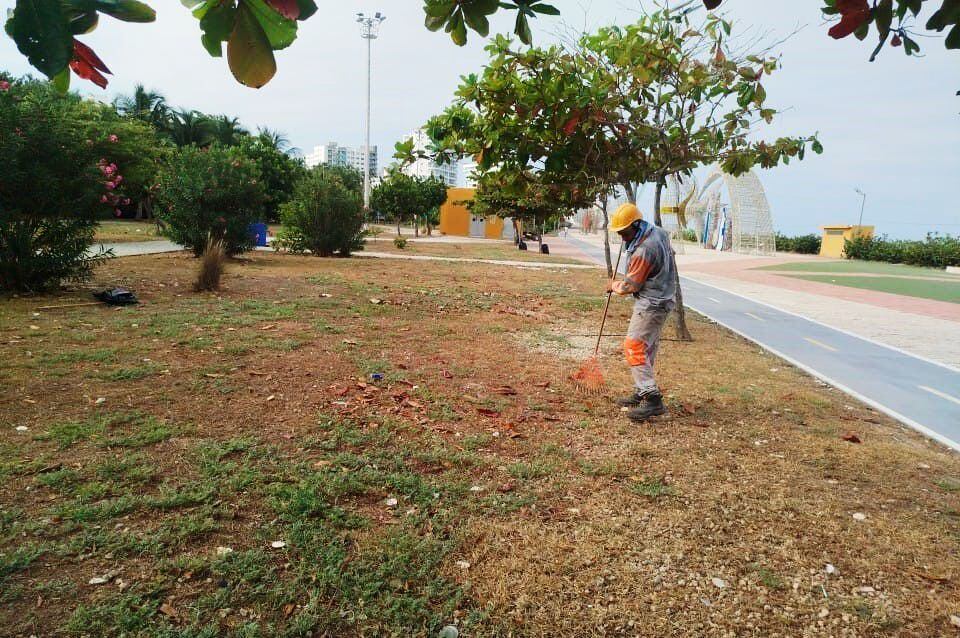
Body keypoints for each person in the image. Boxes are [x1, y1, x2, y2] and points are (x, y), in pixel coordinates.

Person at [606, 203, 677, 421]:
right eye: (619, 233)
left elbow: (631, 286)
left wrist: (613, 285)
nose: (622, 237)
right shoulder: (658, 233)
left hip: (652, 303)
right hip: (664, 298)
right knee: (646, 347)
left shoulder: (644, 250)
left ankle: (653, 399)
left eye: (624, 232)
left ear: (636, 225)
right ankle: (642, 388)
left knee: (634, 346)